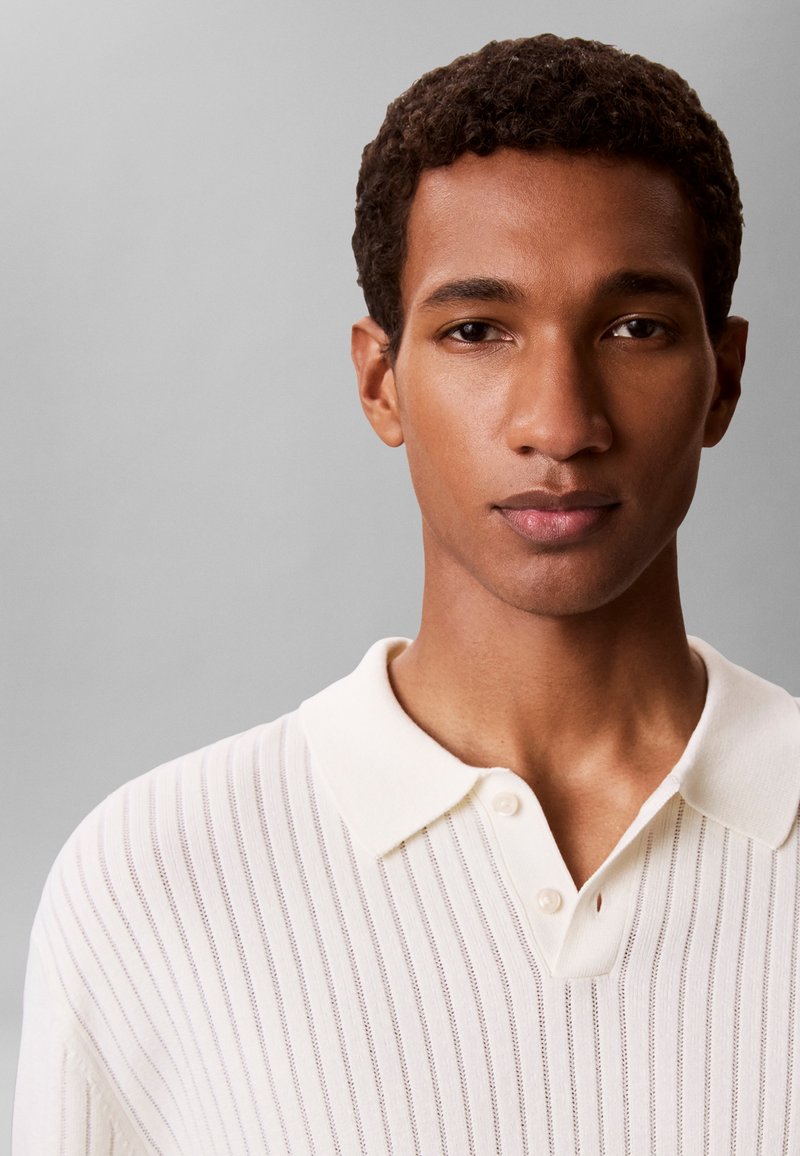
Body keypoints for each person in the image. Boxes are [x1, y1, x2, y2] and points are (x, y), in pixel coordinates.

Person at [13, 33, 800, 1155]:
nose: (559, 422)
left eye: (633, 328)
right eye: (477, 330)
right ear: (380, 381)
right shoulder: (150, 878)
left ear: (720, 376)